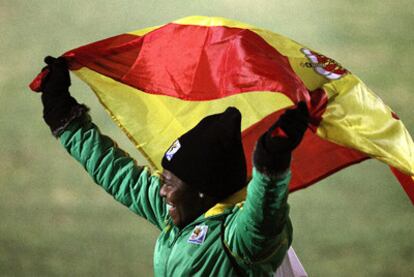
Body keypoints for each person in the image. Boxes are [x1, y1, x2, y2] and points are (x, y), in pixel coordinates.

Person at [34, 56, 309, 276]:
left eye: (169, 183)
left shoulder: (236, 240)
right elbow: (117, 174)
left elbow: (265, 217)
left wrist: (271, 163)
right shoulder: (180, 213)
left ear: (202, 190)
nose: (161, 191)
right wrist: (63, 115)